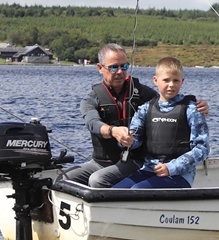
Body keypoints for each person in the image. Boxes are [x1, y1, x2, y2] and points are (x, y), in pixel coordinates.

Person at [64, 44, 209, 188]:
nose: (120, 71)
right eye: (114, 67)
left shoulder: (146, 95)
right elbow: (92, 123)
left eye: (124, 66)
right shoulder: (91, 99)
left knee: (99, 181)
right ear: (100, 68)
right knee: (63, 179)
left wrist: (198, 104)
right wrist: (119, 135)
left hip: (137, 161)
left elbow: (170, 100)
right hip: (103, 162)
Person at [112, 57, 210, 189]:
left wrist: (171, 168)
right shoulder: (146, 108)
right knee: (115, 191)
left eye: (176, 80)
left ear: (182, 81)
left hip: (179, 175)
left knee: (137, 191)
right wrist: (127, 140)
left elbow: (202, 148)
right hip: (148, 169)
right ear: (155, 81)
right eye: (166, 80)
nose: (171, 85)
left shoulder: (192, 110)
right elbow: (136, 137)